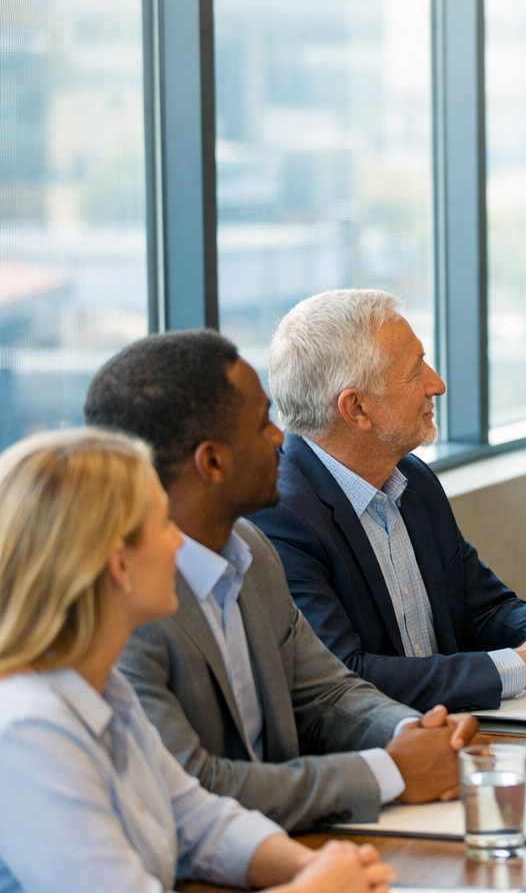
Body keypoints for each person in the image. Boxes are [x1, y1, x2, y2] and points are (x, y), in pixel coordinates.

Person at [0, 429, 396, 893]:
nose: (180, 543)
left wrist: (315, 868)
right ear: (119, 564)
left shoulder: (99, 686)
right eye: (163, 524)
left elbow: (196, 819)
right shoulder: (26, 732)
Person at [84, 330, 479, 833]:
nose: (280, 437)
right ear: (212, 461)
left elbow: (327, 695)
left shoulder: (251, 550)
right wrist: (392, 770)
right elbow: (193, 786)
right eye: (260, 425)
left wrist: (415, 734)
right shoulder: (122, 606)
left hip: (281, 850)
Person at [249, 290, 526, 712]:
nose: (436, 384)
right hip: (380, 760)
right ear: (356, 408)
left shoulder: (414, 478)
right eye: (414, 371)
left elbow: (483, 608)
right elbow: (346, 678)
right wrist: (521, 665)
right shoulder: (279, 516)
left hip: (458, 733)